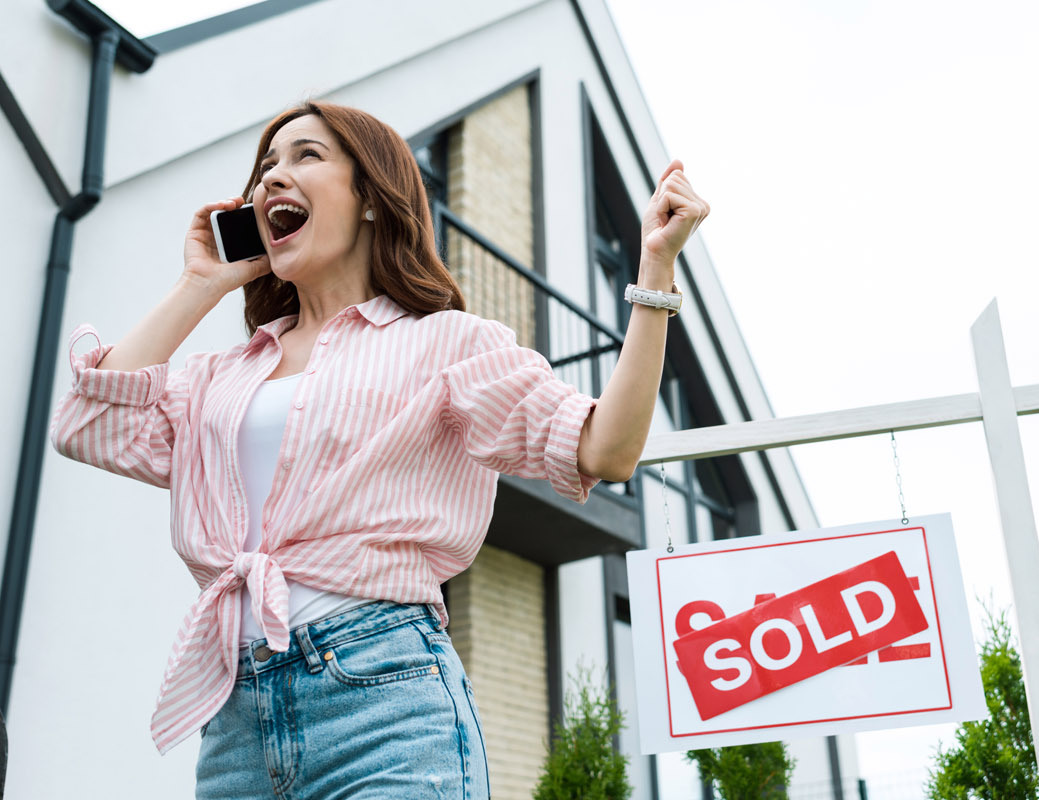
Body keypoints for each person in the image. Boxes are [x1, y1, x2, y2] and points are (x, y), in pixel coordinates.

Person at [48, 101, 708, 798]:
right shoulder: (220, 376)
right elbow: (87, 426)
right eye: (266, 167)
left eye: (306, 156)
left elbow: (605, 449)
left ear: (370, 197)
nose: (273, 177)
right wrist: (199, 286)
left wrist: (654, 271)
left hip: (384, 696)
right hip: (235, 717)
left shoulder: (444, 343)